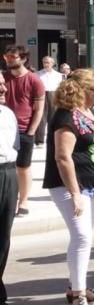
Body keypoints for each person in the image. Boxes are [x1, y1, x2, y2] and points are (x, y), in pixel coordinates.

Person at [43, 69, 94, 305]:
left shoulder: (86, 112)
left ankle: (75, 286)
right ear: (84, 91)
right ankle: (79, 294)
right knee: (82, 237)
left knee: (85, 237)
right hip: (70, 186)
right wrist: (74, 193)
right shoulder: (65, 117)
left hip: (92, 183)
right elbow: (63, 158)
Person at [3, 45, 45, 218]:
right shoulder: (2, 77)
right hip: (4, 129)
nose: (9, 60)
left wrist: (31, 132)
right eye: (7, 57)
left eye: (13, 57)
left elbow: (39, 109)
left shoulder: (34, 80)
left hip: (23, 129)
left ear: (24, 58)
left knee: (23, 167)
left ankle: (24, 201)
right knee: (4, 168)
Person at [0, 76, 24, 305]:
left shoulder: (7, 113)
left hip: (7, 172)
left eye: (2, 82)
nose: (3, 87)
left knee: (3, 236)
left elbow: (13, 146)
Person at [35, 56, 63, 146]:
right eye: (44, 62)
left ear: (52, 63)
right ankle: (39, 140)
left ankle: (52, 139)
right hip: (41, 95)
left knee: (53, 118)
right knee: (41, 117)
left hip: (53, 94)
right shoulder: (37, 74)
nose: (46, 64)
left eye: (48, 62)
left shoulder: (59, 75)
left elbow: (61, 88)